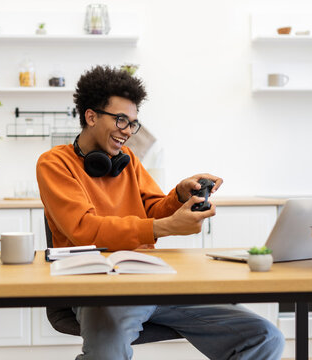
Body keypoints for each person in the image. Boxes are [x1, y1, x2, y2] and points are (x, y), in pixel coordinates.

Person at [36, 65, 284, 360]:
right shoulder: (54, 164)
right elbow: (84, 229)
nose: (127, 131)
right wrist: (162, 228)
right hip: (97, 289)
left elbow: (153, 208)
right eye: (120, 120)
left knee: (264, 337)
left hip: (152, 280)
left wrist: (180, 194)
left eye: (132, 123)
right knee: (107, 356)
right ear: (91, 117)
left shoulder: (127, 160)